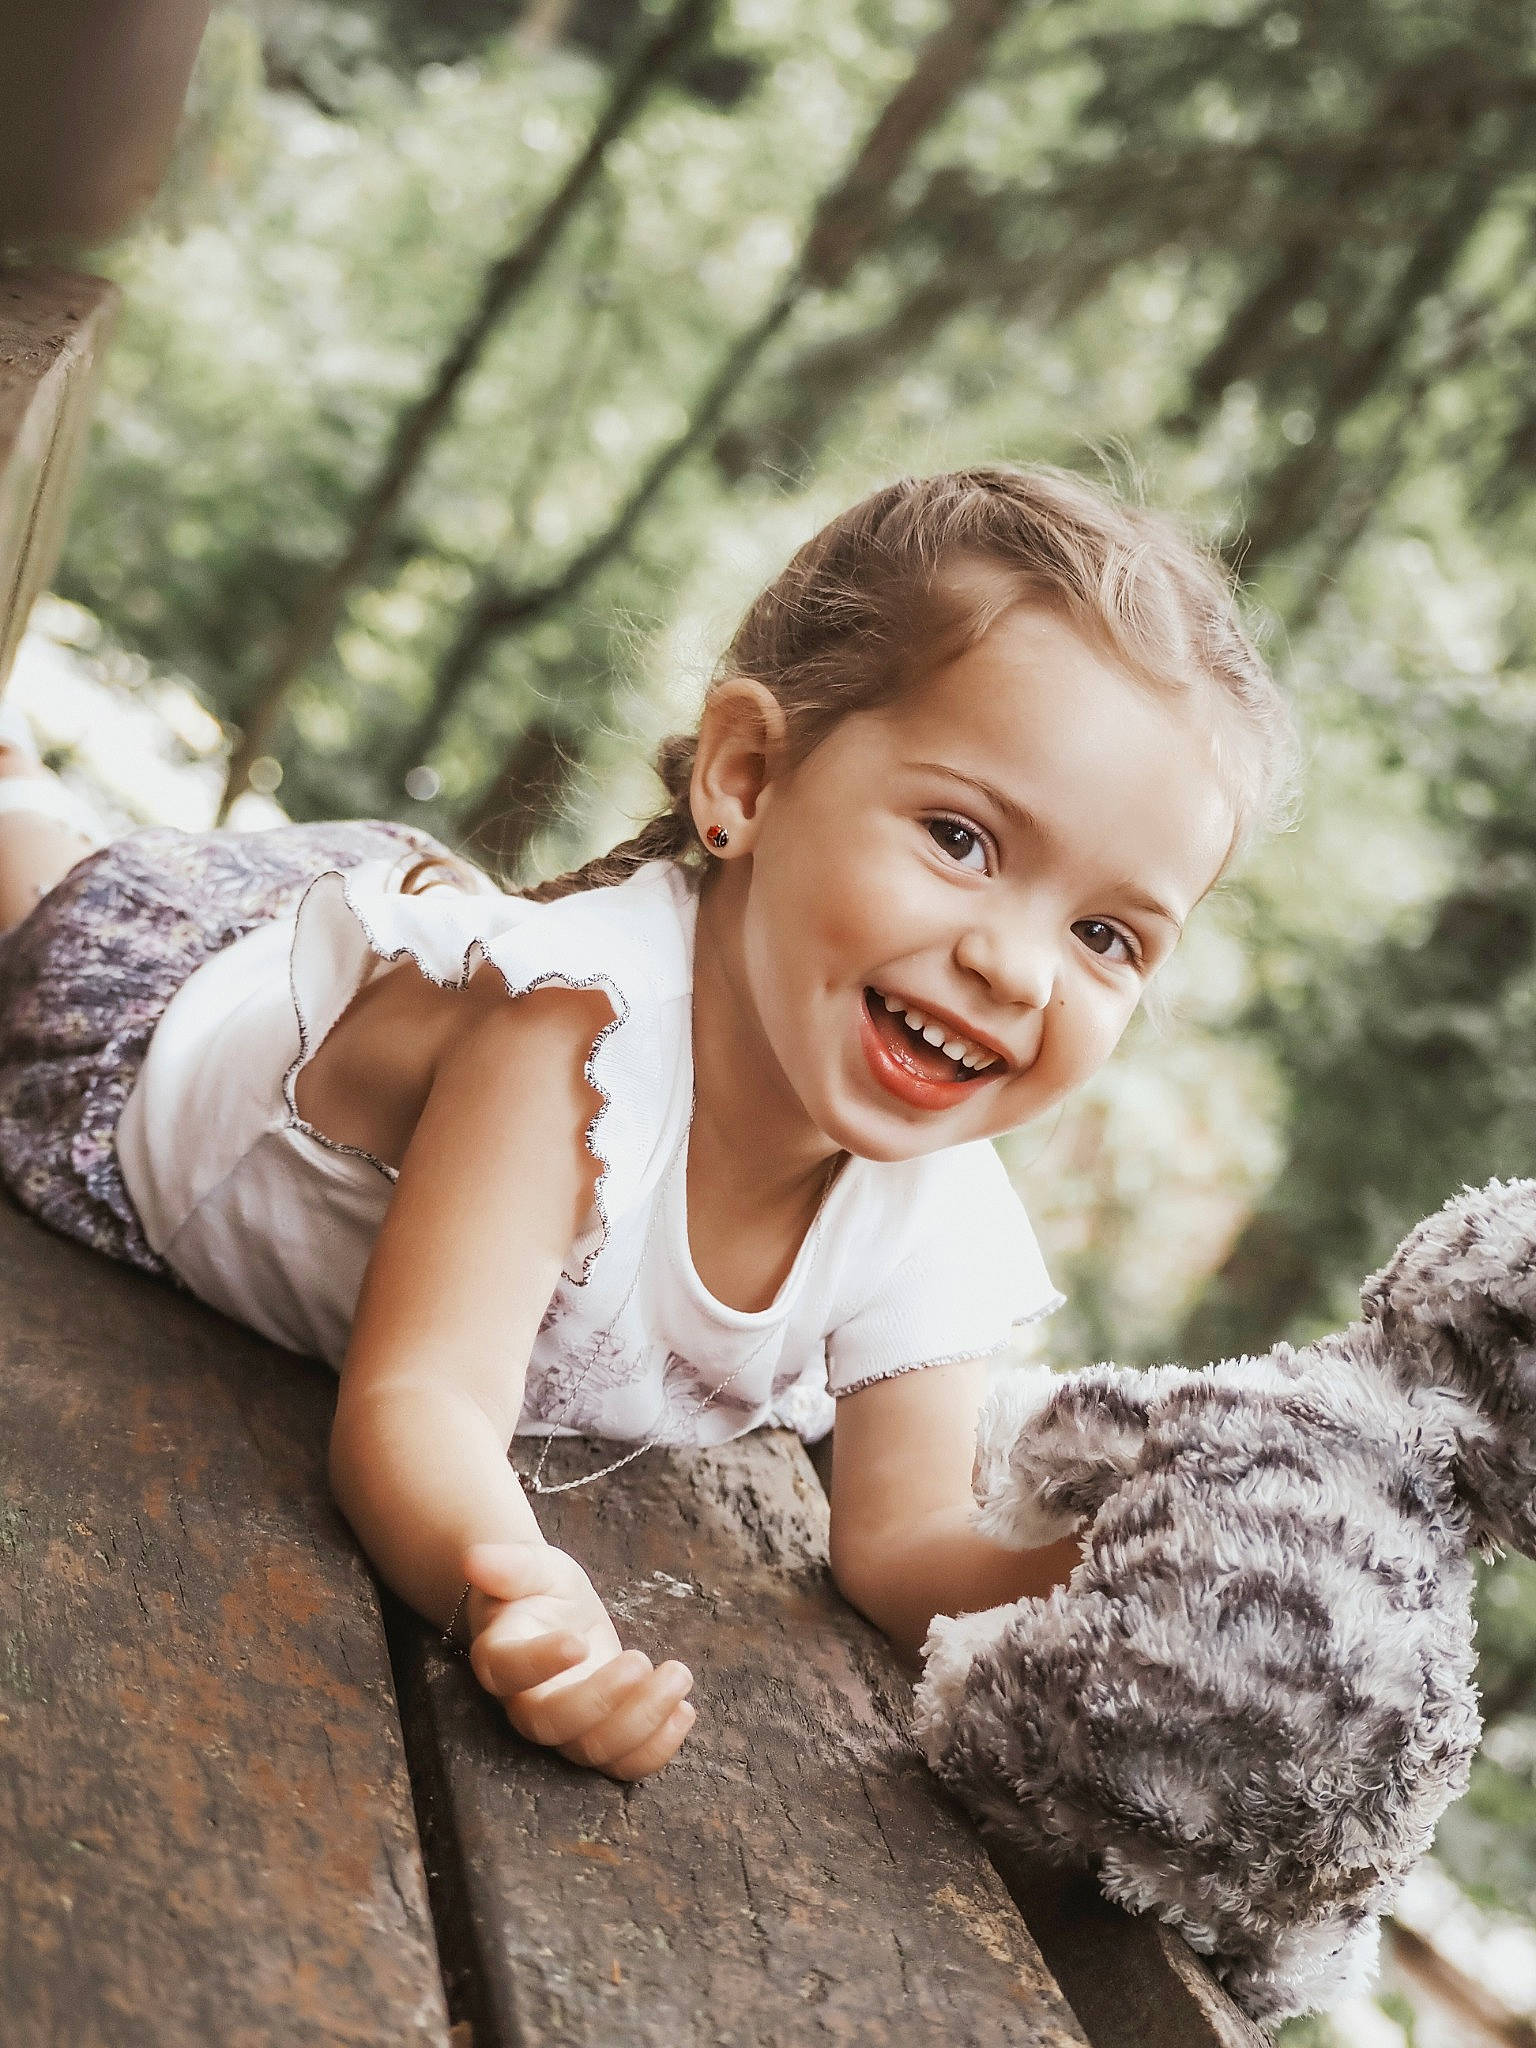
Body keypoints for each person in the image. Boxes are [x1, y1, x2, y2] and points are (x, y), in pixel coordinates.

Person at [0, 466, 1295, 1783]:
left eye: (1105, 935)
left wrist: (1139, 1565)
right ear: (748, 775)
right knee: (29, 887)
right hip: (163, 1022)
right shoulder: (574, 1044)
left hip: (400, 980)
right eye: (961, 839)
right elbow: (419, 1401)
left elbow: (901, 1548)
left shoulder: (935, 1202)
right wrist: (515, 1593)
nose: (1017, 969)